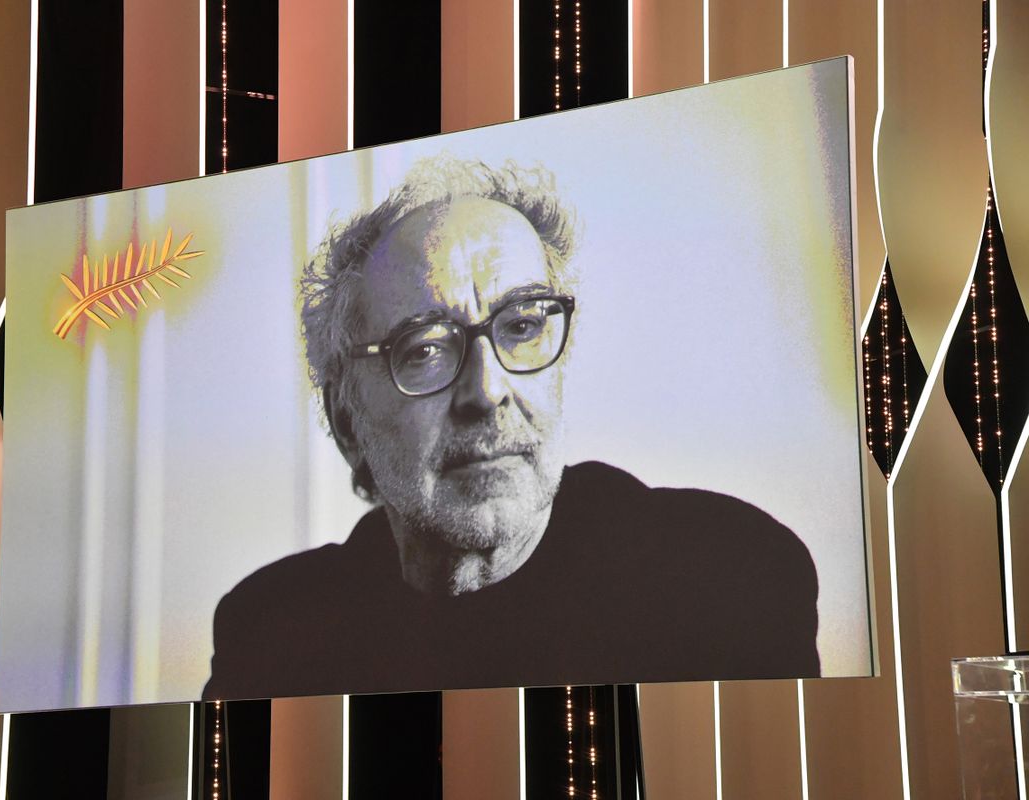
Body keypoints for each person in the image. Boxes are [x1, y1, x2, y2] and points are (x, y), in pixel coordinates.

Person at [203, 155, 819, 701]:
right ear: (348, 424)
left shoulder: (730, 580)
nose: (488, 391)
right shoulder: (269, 636)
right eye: (423, 350)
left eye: (521, 326)